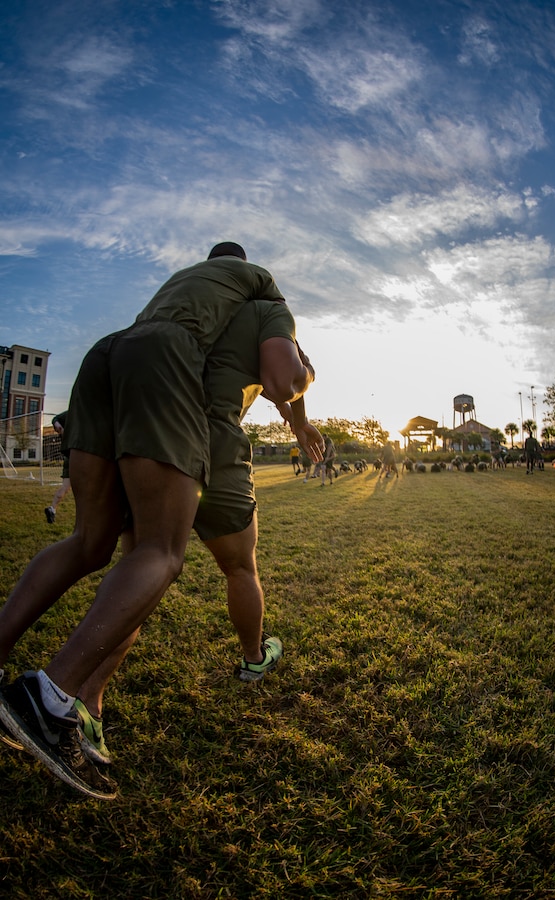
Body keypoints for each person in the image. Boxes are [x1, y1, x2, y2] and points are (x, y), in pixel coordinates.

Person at [0, 242, 322, 800]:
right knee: (168, 555)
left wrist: (300, 423)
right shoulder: (265, 295)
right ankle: (50, 698)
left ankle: (83, 696)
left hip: (113, 362)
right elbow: (281, 379)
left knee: (94, 544)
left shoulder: (189, 289)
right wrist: (307, 378)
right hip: (188, 415)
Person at [44, 411, 71, 524]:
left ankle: (52, 508)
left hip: (69, 457)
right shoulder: (74, 412)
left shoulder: (72, 413)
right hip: (79, 457)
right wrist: (57, 423)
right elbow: (55, 419)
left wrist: (57, 423)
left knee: (65, 487)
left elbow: (56, 419)